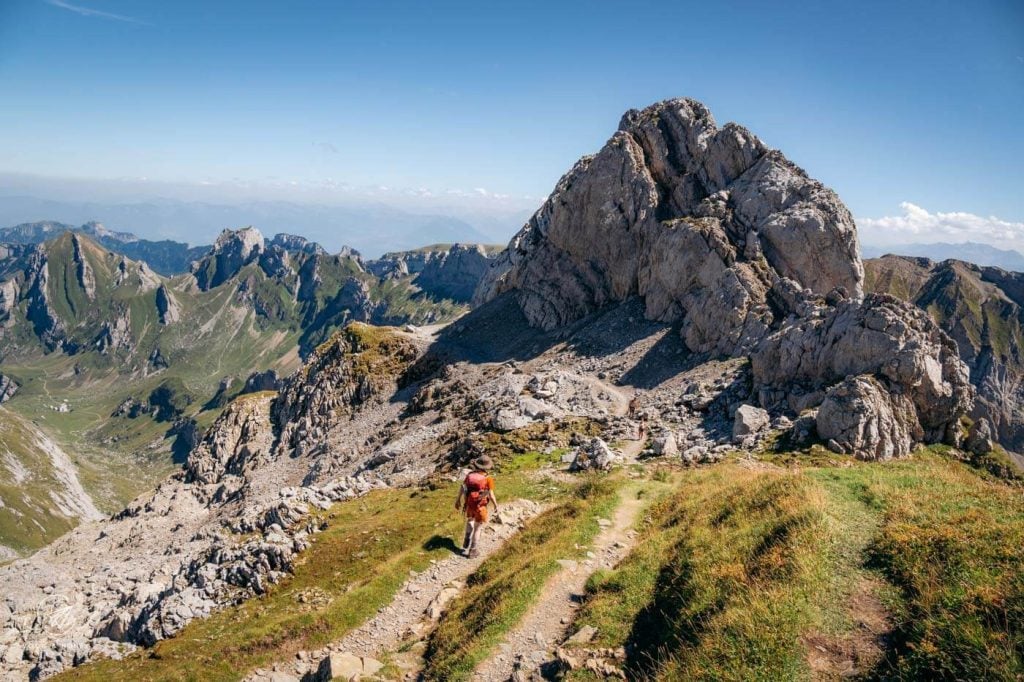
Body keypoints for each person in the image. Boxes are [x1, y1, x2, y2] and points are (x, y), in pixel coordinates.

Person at [455, 455, 499, 558]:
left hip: (469, 503)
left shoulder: (470, 475)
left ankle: (466, 540)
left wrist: (458, 500)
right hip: (480, 506)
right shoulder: (488, 478)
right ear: (487, 467)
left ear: (476, 464)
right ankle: (472, 550)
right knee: (477, 528)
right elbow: (490, 494)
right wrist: (496, 505)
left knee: (470, 520)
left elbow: (463, 487)